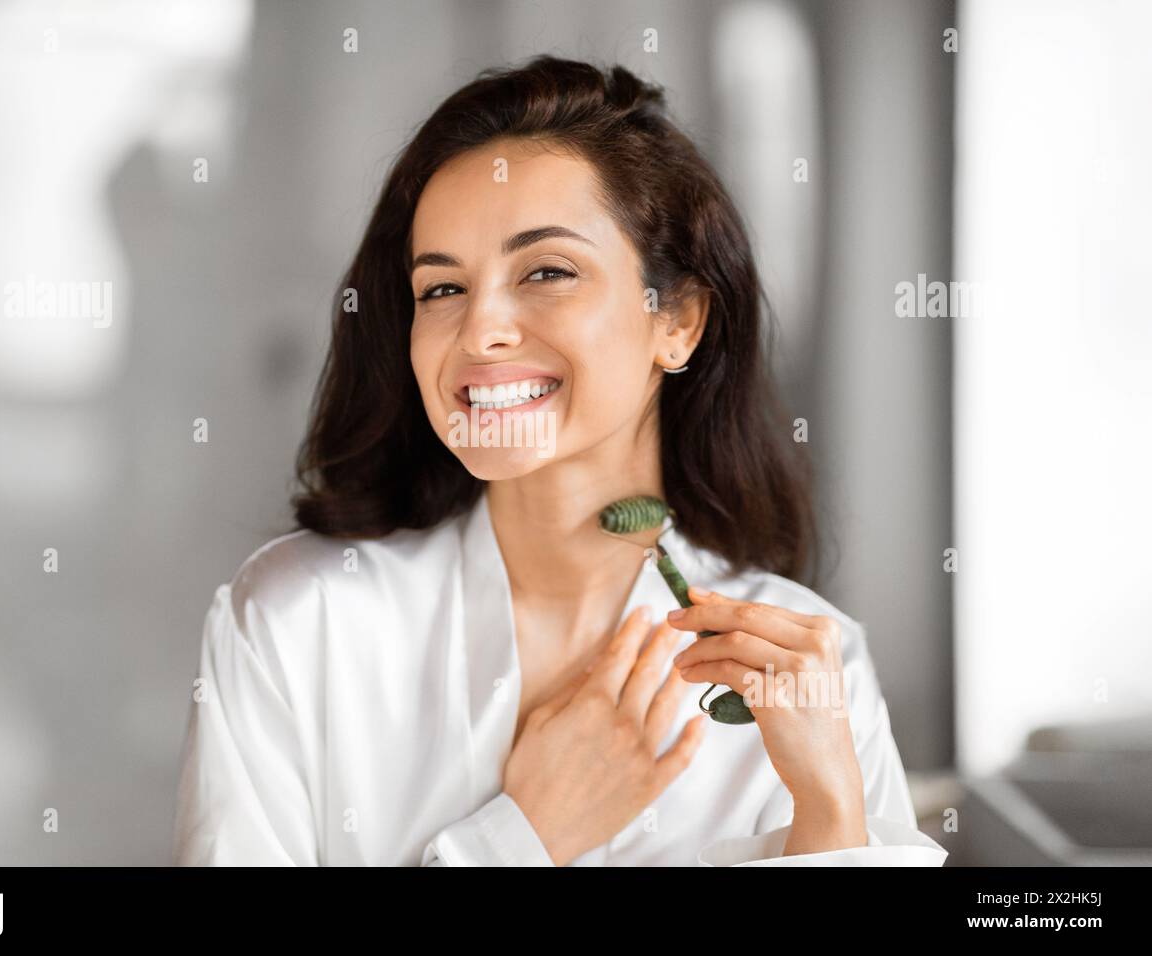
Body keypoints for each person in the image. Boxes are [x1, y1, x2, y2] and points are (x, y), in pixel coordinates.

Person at [172, 56, 948, 866]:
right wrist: (519, 839)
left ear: (677, 319)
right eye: (441, 290)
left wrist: (830, 817)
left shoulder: (810, 664)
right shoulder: (299, 623)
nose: (480, 332)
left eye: (546, 271)